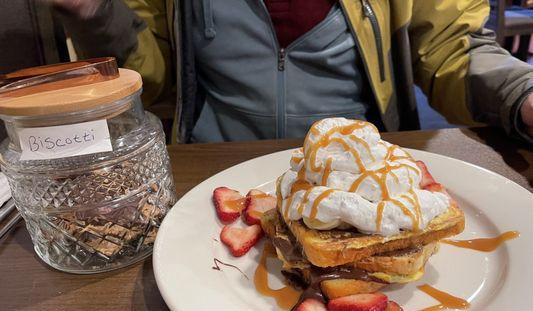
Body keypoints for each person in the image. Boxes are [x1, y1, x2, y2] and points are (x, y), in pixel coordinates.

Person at [50, 0, 533, 144]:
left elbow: (451, 48)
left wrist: (521, 95)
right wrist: (96, 13)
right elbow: (148, 77)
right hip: (211, 175)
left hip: (363, 174)